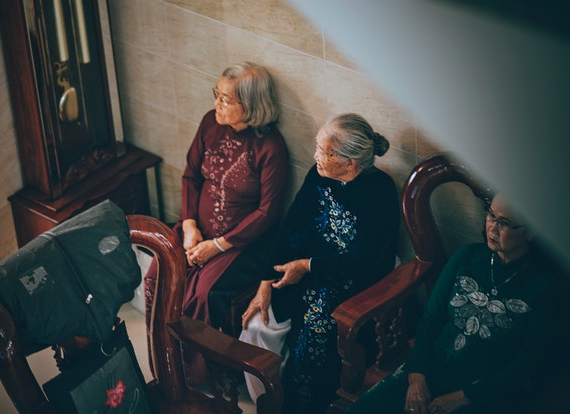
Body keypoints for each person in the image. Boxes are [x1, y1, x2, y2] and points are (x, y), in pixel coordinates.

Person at [239, 113, 400, 414]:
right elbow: (292, 227)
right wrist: (265, 282)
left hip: (354, 281)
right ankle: (269, 399)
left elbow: (366, 261)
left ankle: (302, 406)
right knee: (257, 321)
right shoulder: (318, 174)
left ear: (350, 163)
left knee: (314, 340)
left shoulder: (381, 192)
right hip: (305, 270)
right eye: (317, 146)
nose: (315, 156)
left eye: (324, 151)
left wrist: (308, 266)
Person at [143, 61, 290, 383]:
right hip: (196, 230)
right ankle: (165, 360)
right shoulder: (211, 123)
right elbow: (190, 176)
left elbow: (269, 212)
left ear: (250, 106)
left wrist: (218, 246)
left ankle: (199, 376)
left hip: (243, 243)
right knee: (157, 275)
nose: (216, 104)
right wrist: (190, 226)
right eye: (216, 95)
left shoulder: (271, 147)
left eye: (225, 99)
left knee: (202, 293)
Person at [347, 195, 561, 414]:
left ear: (531, 231)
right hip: (432, 367)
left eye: (504, 223)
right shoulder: (466, 257)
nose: (492, 228)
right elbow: (431, 317)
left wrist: (463, 398)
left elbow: (525, 365)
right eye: (491, 214)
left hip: (484, 390)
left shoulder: (544, 287)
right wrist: (417, 377)